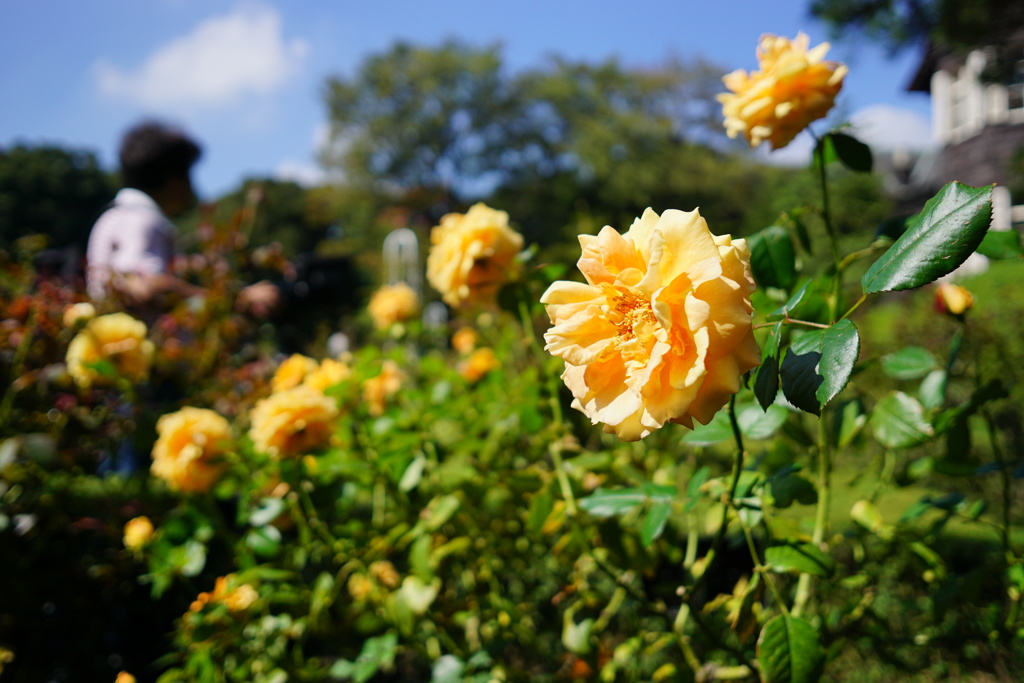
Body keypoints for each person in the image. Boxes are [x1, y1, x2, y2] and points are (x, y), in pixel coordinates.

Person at [86, 120, 278, 317]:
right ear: (172, 179)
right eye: (188, 175)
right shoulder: (140, 220)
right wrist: (235, 300)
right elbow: (144, 288)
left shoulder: (117, 216)